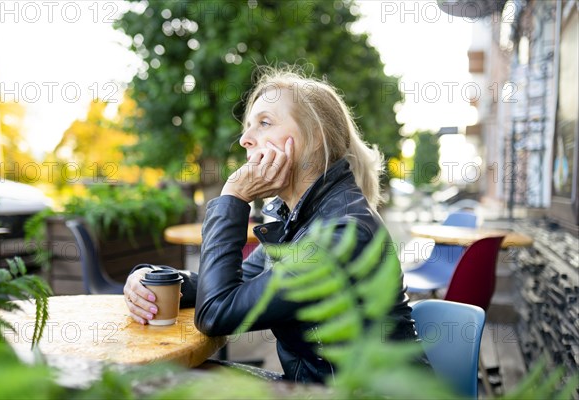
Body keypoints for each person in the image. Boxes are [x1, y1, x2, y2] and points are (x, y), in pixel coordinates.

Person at [123, 67, 417, 384]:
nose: (245, 139)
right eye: (249, 127)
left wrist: (234, 198)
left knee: (169, 383)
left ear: (315, 139)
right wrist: (151, 278)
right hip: (319, 388)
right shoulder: (301, 223)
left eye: (264, 123)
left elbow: (216, 314)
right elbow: (230, 287)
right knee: (171, 378)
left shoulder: (341, 234)